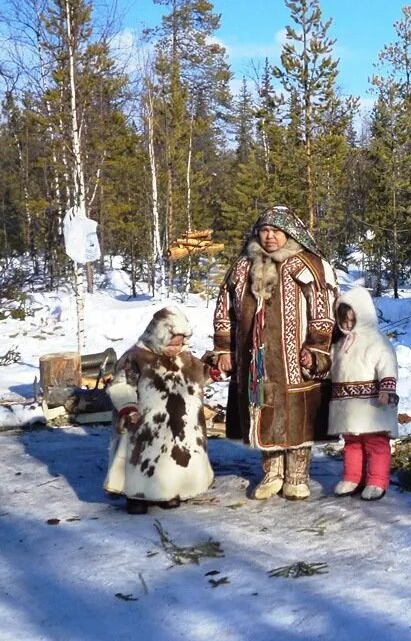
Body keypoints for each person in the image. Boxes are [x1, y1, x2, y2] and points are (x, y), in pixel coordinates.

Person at [212, 206, 336, 501]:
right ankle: (272, 473)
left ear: (289, 234)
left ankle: (296, 475)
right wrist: (223, 349)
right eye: (265, 231)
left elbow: (324, 309)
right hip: (252, 358)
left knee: (296, 414)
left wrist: (316, 348)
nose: (269, 237)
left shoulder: (307, 265)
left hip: (294, 359)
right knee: (262, 409)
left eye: (276, 232)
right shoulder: (243, 266)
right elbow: (224, 310)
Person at [104, 306, 216, 514]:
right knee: (142, 459)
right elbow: (121, 385)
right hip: (145, 423)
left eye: (179, 344)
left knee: (171, 459)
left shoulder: (186, 358)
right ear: (157, 337)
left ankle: (168, 493)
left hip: (176, 423)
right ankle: (136, 496)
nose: (175, 348)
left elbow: (199, 378)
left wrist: (215, 371)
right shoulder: (136, 357)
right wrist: (127, 407)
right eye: (170, 344)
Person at [327, 286, 399, 501]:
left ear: (364, 315)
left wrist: (387, 387)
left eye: (352, 319)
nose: (348, 325)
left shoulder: (378, 342)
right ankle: (352, 477)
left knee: (375, 442)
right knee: (351, 442)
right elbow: (330, 368)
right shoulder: (339, 345)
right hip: (346, 404)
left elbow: (387, 364)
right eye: (344, 320)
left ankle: (377, 480)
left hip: (372, 403)